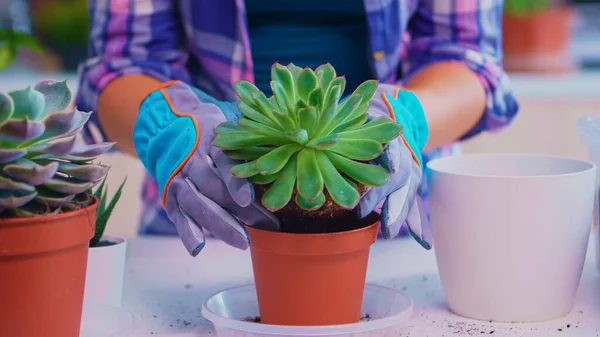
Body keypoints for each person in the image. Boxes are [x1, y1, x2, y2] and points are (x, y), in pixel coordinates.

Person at [76, 0, 519, 256]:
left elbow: (467, 58)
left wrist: (407, 118)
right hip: (209, 220)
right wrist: (166, 125)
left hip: (399, 221)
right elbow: (120, 65)